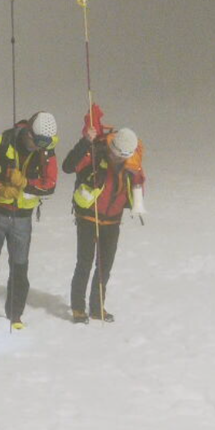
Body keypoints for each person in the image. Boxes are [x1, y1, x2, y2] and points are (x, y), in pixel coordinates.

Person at [0, 112, 58, 329]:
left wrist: (25, 183)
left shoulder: (46, 151)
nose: (37, 147)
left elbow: (50, 184)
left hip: (23, 218)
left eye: (42, 144)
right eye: (34, 141)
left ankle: (15, 313)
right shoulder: (1, 143)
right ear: (28, 132)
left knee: (20, 267)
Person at [62, 104, 145, 323]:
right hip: (88, 217)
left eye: (121, 158)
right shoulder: (95, 150)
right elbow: (68, 166)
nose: (117, 160)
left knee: (104, 267)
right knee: (85, 263)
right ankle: (78, 308)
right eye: (115, 155)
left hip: (113, 220)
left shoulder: (132, 160)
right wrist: (85, 143)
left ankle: (97, 307)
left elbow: (137, 182)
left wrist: (138, 202)